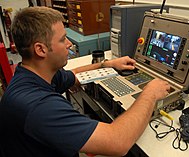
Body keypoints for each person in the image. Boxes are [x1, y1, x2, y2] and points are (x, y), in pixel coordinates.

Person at [0, 7, 170, 157]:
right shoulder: (39, 107)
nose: (69, 44)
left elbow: (73, 75)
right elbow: (119, 143)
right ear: (40, 49)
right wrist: (150, 93)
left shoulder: (33, 74)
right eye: (62, 39)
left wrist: (106, 64)